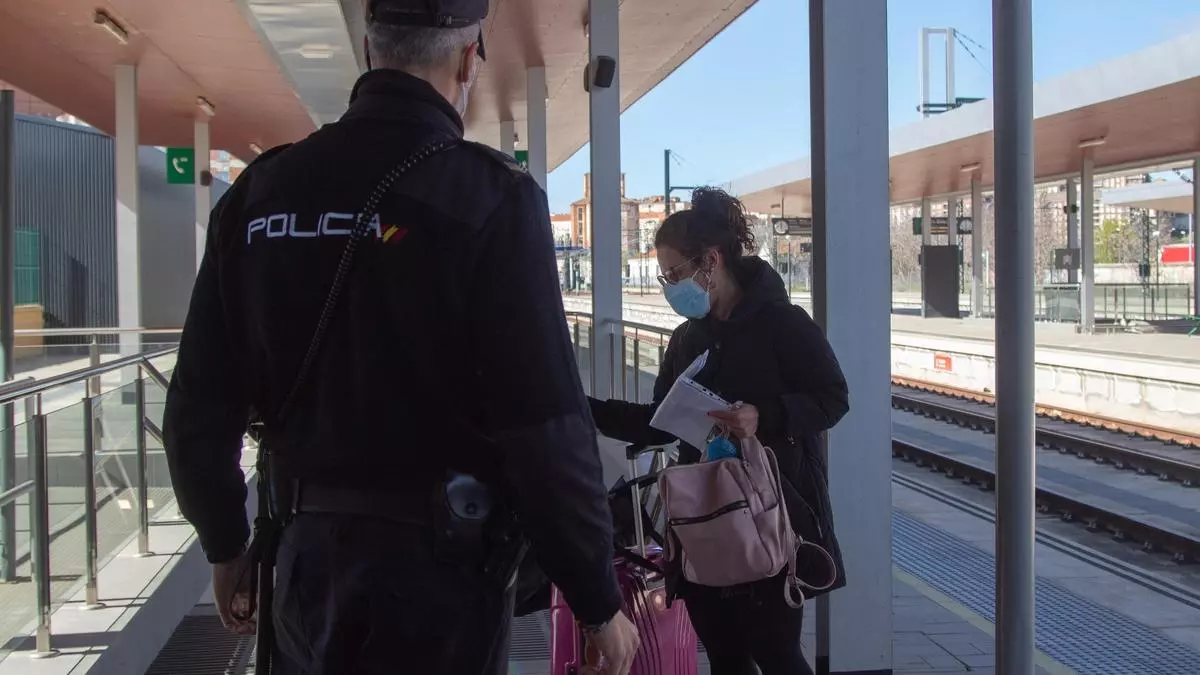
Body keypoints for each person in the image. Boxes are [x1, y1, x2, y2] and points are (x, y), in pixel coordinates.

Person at [161, 1, 639, 673]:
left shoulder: (260, 193)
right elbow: (546, 429)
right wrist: (596, 598)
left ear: (367, 48)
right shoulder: (492, 198)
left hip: (301, 567)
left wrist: (225, 543)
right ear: (469, 59)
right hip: (441, 585)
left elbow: (196, 407)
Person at [588, 187, 850, 675]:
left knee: (777, 653)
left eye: (674, 274)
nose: (670, 287)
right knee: (725, 657)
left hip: (768, 516)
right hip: (702, 520)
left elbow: (833, 398)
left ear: (710, 261)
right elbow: (659, 421)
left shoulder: (784, 325)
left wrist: (762, 416)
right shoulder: (688, 338)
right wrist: (582, 411)